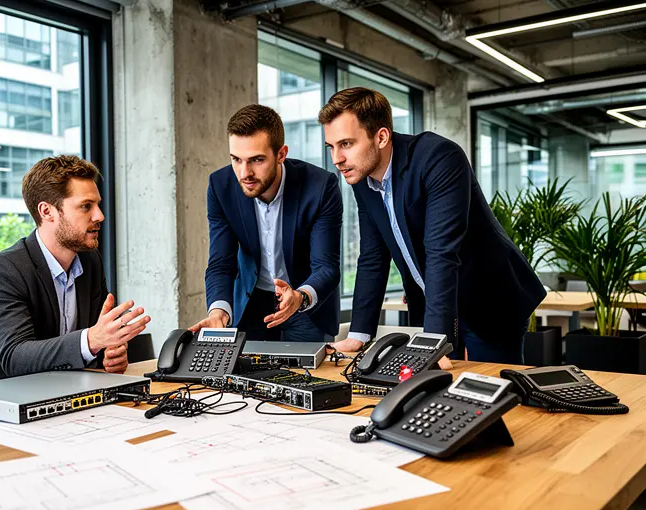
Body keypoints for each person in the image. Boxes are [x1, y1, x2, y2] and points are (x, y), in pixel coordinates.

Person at [320, 87, 546, 364]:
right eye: (331, 147)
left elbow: (441, 253)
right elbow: (372, 257)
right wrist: (359, 333)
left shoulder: (438, 157)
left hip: (489, 299)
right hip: (435, 303)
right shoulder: (362, 178)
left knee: (492, 386)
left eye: (346, 144)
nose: (336, 159)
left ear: (381, 137)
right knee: (436, 386)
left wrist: (434, 343)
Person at [0, 155, 150, 384]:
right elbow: (15, 358)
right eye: (86, 206)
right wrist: (92, 340)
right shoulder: (2, 271)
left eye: (97, 205)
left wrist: (109, 353)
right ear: (47, 211)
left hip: (62, 392)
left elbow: (90, 343)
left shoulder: (90, 261)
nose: (99, 215)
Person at [191, 104, 343, 342]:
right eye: (236, 159)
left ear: (281, 154)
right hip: (251, 303)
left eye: (257, 160)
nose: (244, 173)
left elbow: (326, 267)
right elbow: (221, 263)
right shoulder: (221, 187)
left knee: (309, 367)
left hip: (304, 302)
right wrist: (218, 311)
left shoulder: (321, 186)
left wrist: (300, 297)